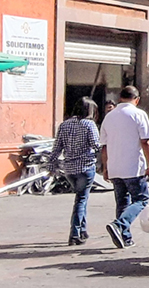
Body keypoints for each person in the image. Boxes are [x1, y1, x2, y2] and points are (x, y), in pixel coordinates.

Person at [99, 85, 149, 249]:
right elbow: (146, 141)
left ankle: (125, 237)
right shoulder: (138, 114)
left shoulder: (109, 117)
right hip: (133, 167)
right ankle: (119, 225)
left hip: (115, 166)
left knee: (122, 202)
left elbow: (104, 146)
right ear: (137, 99)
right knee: (141, 199)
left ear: (120, 98)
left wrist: (106, 167)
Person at [49, 97, 99, 245]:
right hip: (86, 167)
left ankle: (82, 230)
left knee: (80, 198)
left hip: (69, 169)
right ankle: (75, 234)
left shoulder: (64, 125)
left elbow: (57, 147)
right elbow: (96, 145)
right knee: (81, 200)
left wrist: (51, 165)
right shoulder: (89, 124)